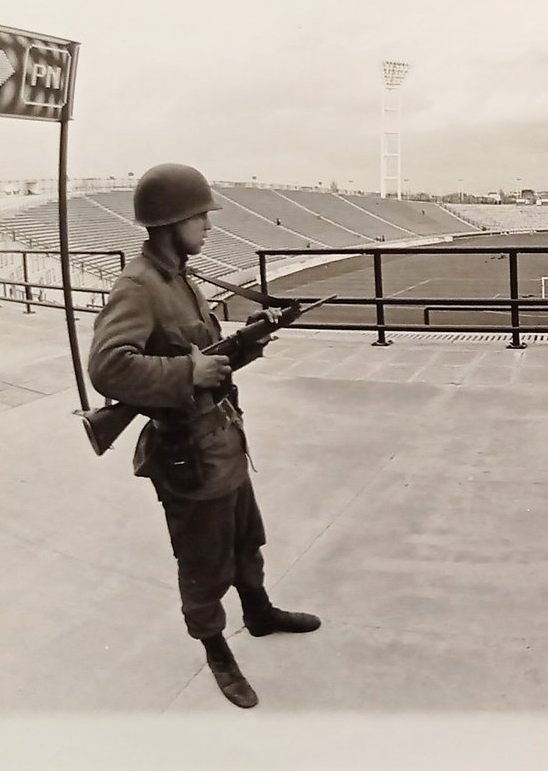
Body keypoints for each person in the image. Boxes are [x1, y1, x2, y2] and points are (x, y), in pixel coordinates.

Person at [87, 163, 319, 709]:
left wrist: (240, 349)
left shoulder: (183, 279)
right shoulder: (139, 286)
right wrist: (188, 375)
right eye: (200, 216)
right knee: (202, 560)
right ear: (172, 223)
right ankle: (216, 648)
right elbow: (107, 368)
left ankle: (258, 614)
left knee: (244, 537)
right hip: (186, 454)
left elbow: (198, 352)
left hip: (222, 441)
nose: (209, 226)